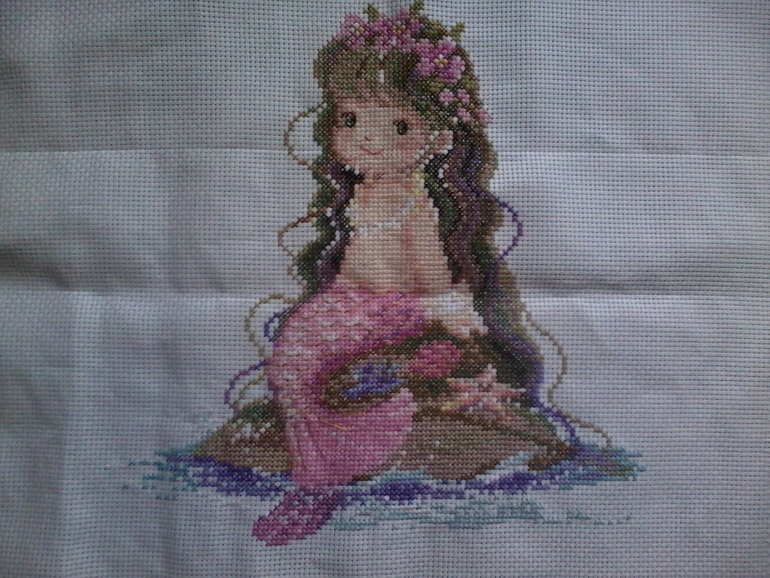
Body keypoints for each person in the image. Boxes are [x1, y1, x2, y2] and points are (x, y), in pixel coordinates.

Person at [195, 4, 578, 541]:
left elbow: (430, 269)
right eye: (351, 120)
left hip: (391, 308)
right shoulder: (370, 189)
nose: (368, 140)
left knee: (297, 357)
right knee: (290, 360)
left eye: (398, 126)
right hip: (351, 301)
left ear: (437, 139)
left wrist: (445, 309)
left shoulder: (414, 202)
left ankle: (319, 481)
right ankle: (326, 456)